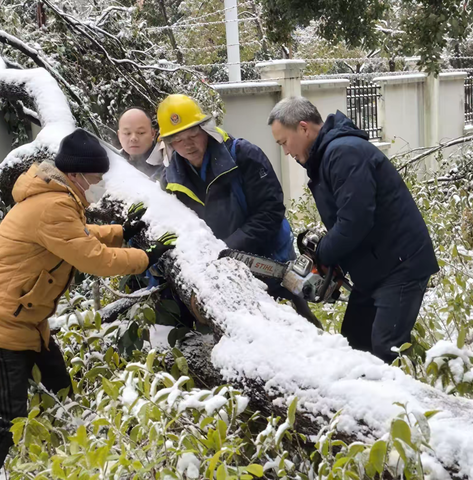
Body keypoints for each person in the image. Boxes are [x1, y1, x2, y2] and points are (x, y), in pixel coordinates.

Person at [0, 129, 167, 467]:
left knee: (62, 394)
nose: (96, 186)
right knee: (9, 420)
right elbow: (95, 260)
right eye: (93, 179)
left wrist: (123, 233)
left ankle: (72, 460)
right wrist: (146, 257)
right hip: (8, 327)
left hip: (28, 319)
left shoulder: (55, 195)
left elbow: (80, 236)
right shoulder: (54, 205)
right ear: (74, 174)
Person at [268, 96, 439, 363]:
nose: (287, 152)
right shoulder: (327, 156)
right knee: (353, 342)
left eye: (284, 142)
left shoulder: (344, 153)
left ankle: (400, 402)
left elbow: (355, 221)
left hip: (400, 266)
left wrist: (324, 253)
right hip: (375, 266)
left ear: (303, 128)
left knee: (386, 349)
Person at [156, 94, 320, 326]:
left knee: (299, 326)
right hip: (222, 273)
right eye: (179, 140)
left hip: (272, 261)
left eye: (193, 135)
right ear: (170, 143)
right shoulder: (171, 179)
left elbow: (270, 212)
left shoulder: (242, 155)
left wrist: (228, 247)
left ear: (205, 129)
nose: (188, 144)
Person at [117, 107, 163, 178]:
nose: (133, 138)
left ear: (153, 133)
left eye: (141, 133)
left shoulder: (168, 164)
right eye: (127, 133)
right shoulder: (111, 164)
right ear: (119, 135)